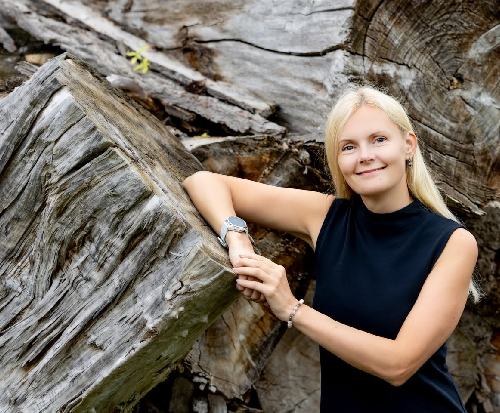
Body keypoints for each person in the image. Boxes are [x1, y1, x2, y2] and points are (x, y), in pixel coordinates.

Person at [183, 85, 482, 412]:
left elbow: (398, 364)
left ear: (408, 146)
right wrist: (240, 244)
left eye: (379, 140)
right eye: (349, 146)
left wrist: (293, 309)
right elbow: (203, 182)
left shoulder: (452, 242)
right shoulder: (325, 217)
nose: (365, 155)